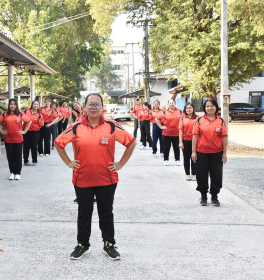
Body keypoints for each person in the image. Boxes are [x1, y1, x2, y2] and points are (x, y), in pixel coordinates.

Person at [55, 93, 136, 261]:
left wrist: (120, 164)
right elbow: (58, 142)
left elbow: (131, 142)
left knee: (106, 212)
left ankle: (109, 244)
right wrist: (69, 162)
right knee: (84, 212)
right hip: (82, 178)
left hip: (107, 179)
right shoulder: (76, 127)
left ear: (102, 107)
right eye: (90, 104)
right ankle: (82, 245)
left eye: (97, 104)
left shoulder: (111, 126)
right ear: (84, 107)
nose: (93, 107)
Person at [192, 99, 228, 207]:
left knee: (216, 175)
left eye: (212, 106)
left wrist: (224, 153)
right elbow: (195, 136)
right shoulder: (199, 121)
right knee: (201, 175)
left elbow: (225, 137)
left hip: (217, 153)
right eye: (207, 106)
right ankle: (203, 196)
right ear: (204, 108)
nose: (210, 108)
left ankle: (214, 197)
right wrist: (194, 152)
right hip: (201, 153)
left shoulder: (221, 121)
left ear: (216, 107)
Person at [0, 99, 31, 180]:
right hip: (8, 139)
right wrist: (2, 130)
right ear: (9, 105)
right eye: (11, 104)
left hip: (18, 139)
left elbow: (29, 121)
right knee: (10, 157)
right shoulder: (4, 114)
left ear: (16, 105)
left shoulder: (20, 114)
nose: (12, 106)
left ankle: (17, 173)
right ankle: (12, 172)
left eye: (14, 104)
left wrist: (24, 131)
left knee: (18, 156)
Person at [156, 99, 182, 166]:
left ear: (175, 103)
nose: (171, 104)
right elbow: (156, 119)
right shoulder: (164, 112)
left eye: (173, 103)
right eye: (170, 103)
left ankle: (177, 160)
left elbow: (183, 120)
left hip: (177, 133)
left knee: (176, 147)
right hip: (166, 133)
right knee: (166, 147)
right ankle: (166, 160)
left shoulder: (180, 111)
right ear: (168, 104)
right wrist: (161, 127)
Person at [179, 102, 198, 181]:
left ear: (193, 109)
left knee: (194, 158)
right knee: (186, 158)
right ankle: (187, 174)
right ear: (185, 109)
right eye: (187, 108)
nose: (188, 109)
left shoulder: (197, 118)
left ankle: (194, 174)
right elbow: (180, 130)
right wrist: (180, 142)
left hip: (195, 141)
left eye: (190, 108)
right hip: (185, 141)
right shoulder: (183, 118)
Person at [23, 100, 44, 166]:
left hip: (35, 132)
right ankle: (26, 161)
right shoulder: (26, 111)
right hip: (26, 131)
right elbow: (21, 118)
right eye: (34, 104)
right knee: (26, 146)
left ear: (38, 106)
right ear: (32, 105)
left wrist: (40, 119)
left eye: (37, 104)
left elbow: (42, 124)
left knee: (34, 146)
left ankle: (34, 160)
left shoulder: (39, 114)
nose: (36, 105)